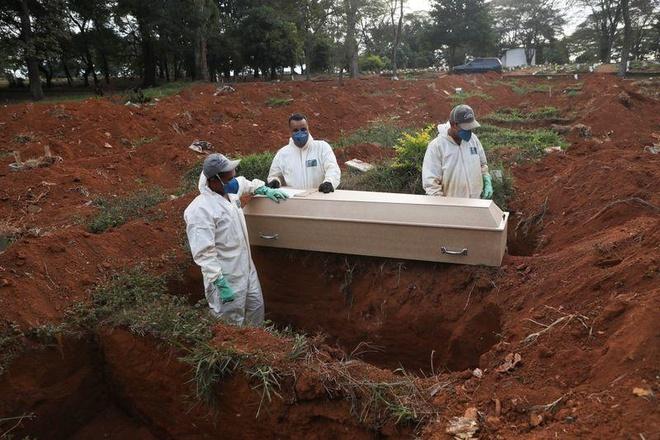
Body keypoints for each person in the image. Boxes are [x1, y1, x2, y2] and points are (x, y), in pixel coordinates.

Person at [184, 153, 288, 325]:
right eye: (229, 178)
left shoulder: (228, 192)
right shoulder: (200, 210)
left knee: (255, 310)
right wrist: (219, 282)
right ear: (214, 180)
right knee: (231, 323)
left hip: (246, 268)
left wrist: (262, 189)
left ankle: (256, 348)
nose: (233, 181)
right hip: (227, 276)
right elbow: (204, 252)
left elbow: (243, 183)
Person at [422, 104, 493, 200]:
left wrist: (486, 179)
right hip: (452, 206)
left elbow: (482, 164)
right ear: (453, 125)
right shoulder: (437, 146)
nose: (469, 131)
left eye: (470, 127)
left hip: (476, 202)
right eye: (466, 128)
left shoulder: (473, 140)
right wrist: (442, 204)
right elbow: (431, 183)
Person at [266, 113, 341, 193]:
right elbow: (275, 175)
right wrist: (275, 181)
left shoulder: (322, 147)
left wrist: (329, 182)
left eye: (303, 129)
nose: (300, 133)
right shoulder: (282, 154)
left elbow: (332, 168)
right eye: (295, 130)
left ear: (308, 128)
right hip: (295, 201)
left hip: (320, 199)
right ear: (290, 132)